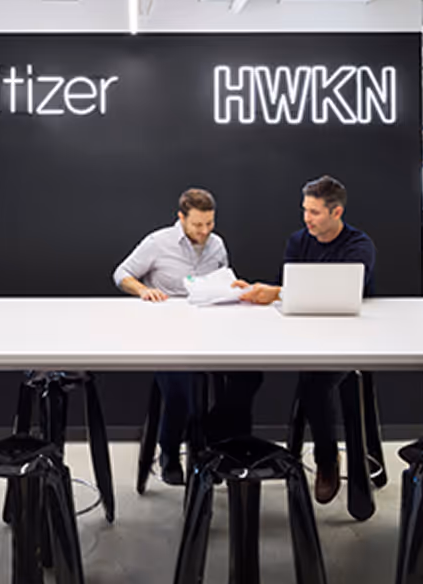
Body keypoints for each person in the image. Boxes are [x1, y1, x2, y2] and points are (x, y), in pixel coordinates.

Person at [235, 175, 376, 504]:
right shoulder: (299, 241)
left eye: (314, 212)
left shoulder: (359, 245)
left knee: (314, 384)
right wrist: (261, 291)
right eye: (305, 210)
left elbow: (344, 291)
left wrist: (278, 291)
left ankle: (327, 460)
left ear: (336, 212)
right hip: (305, 336)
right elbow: (295, 289)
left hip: (347, 338)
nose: (306, 218)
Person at [113, 188, 262, 485]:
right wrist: (143, 289)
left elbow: (221, 281)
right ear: (181, 218)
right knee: (182, 385)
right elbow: (121, 273)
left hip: (212, 330)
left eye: (209, 223)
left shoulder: (217, 244)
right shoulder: (158, 243)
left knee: (250, 374)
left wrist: (234, 287)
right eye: (197, 225)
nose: (205, 231)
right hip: (169, 333)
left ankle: (211, 436)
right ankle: (169, 450)